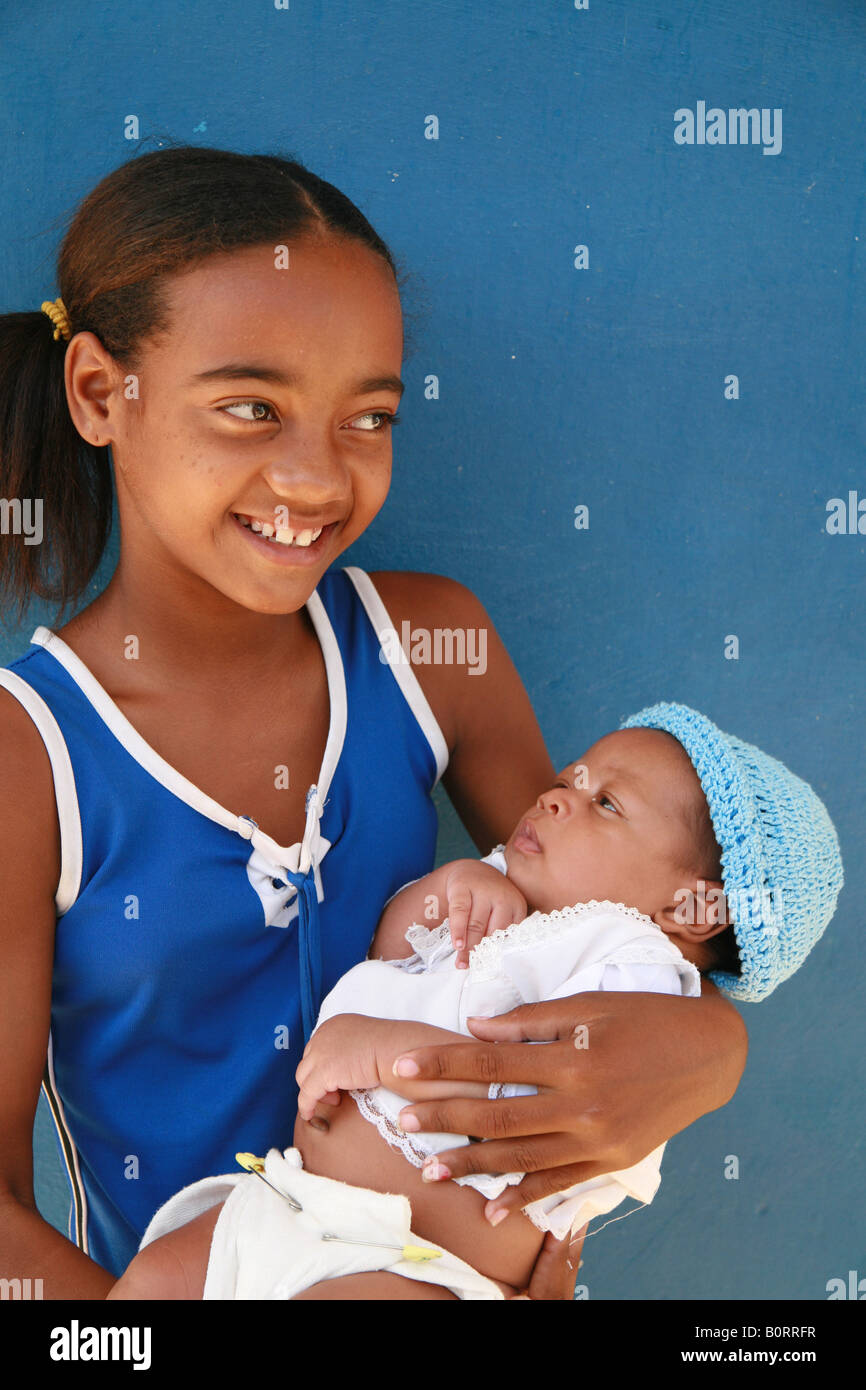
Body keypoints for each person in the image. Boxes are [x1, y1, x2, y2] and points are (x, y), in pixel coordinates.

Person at [0, 144, 748, 1299]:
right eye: (251, 407)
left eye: (369, 416)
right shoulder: (27, 756)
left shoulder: (430, 648)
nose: (313, 478)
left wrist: (716, 1052)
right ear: (102, 394)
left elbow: (624, 912)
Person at [105, 703, 843, 1300]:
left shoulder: (634, 965)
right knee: (149, 1286)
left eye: (606, 803)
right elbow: (391, 952)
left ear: (694, 909)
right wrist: (451, 887)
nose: (557, 797)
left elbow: (532, 1082)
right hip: (291, 1205)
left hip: (415, 1264)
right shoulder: (510, 897)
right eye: (568, 778)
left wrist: (381, 1048)